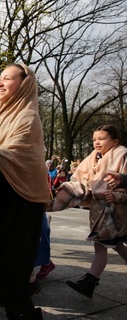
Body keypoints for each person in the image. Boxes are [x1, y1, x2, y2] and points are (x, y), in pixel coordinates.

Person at [0, 64, 50, 319]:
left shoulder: (28, 117)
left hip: (19, 202)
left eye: (7, 78)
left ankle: (23, 313)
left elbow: (14, 154)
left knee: (12, 266)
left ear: (24, 84)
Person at [54, 124, 127, 298]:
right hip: (99, 209)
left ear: (114, 140)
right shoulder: (93, 157)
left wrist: (117, 196)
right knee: (112, 244)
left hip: (115, 210)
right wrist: (67, 190)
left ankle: (89, 282)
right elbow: (80, 178)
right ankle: (89, 283)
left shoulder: (122, 153)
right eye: (94, 139)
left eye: (102, 138)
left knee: (102, 243)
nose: (97, 142)